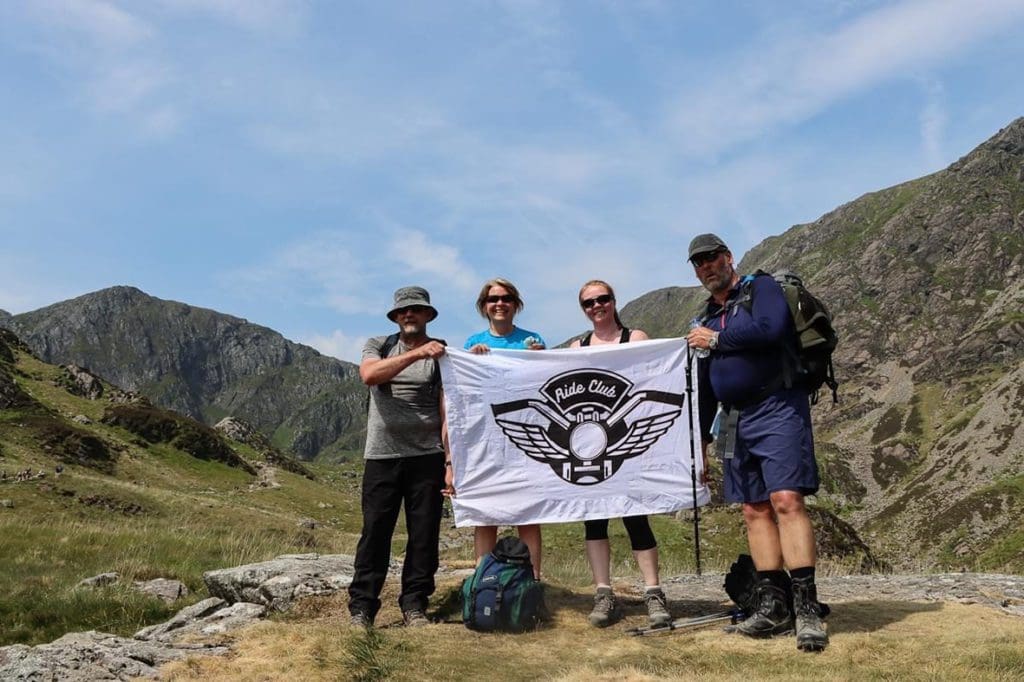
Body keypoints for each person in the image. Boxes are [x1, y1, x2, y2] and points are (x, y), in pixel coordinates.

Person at [685, 233, 828, 652]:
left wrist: (715, 340)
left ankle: (807, 609)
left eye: (712, 258)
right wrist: (700, 441)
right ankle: (773, 605)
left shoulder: (761, 288)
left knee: (786, 500)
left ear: (728, 257)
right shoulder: (706, 316)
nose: (707, 267)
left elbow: (771, 328)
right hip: (733, 418)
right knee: (754, 508)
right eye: (698, 263)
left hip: (777, 405)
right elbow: (705, 385)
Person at [569, 280, 671, 629]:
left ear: (613, 301)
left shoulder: (635, 338)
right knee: (594, 520)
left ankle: (653, 592)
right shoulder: (577, 346)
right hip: (590, 446)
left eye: (602, 299)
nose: (596, 306)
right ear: (583, 309)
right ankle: (603, 593)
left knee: (636, 518)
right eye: (589, 302)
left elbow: (655, 379)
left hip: (625, 443)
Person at [347, 286, 449, 629]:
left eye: (416, 309)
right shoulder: (379, 345)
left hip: (428, 456)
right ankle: (362, 608)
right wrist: (418, 355)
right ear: (394, 317)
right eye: (403, 311)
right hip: (382, 456)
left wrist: (450, 461)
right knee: (375, 532)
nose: (409, 314)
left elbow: (446, 411)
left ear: (428, 315)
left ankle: (415, 605)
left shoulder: (441, 354)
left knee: (424, 535)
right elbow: (369, 375)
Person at [462, 277, 546, 579]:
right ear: (484, 306)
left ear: (516, 304)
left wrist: (541, 359)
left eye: (506, 298)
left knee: (528, 515)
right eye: (493, 299)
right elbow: (465, 391)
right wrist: (470, 361)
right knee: (486, 514)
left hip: (525, 441)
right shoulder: (472, 343)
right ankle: (481, 583)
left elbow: (545, 387)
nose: (500, 304)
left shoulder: (533, 339)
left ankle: (532, 583)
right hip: (487, 441)